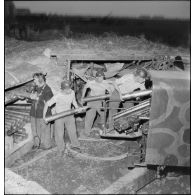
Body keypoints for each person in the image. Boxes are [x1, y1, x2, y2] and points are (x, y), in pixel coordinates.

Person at [43, 80, 81, 157]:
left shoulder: (72, 92)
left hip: (69, 114)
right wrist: (44, 117)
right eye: (68, 89)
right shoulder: (57, 96)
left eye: (70, 88)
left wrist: (77, 108)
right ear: (63, 89)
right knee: (59, 134)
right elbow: (47, 104)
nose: (70, 90)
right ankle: (60, 149)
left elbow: (73, 101)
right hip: (59, 116)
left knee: (72, 131)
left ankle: (75, 145)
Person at [81, 70, 115, 136]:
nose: (102, 79)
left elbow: (110, 91)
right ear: (96, 77)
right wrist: (82, 97)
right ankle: (87, 132)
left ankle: (102, 129)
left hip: (101, 100)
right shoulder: (91, 82)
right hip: (91, 100)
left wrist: (111, 96)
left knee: (103, 115)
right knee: (89, 116)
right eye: (100, 77)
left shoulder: (105, 83)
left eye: (103, 77)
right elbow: (85, 87)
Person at [29, 72, 53, 150]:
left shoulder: (47, 90)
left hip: (43, 114)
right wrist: (31, 97)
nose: (34, 81)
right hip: (33, 113)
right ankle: (36, 144)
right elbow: (32, 96)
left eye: (35, 79)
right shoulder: (36, 87)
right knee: (34, 129)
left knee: (45, 130)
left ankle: (47, 145)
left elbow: (49, 104)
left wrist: (46, 117)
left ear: (40, 79)